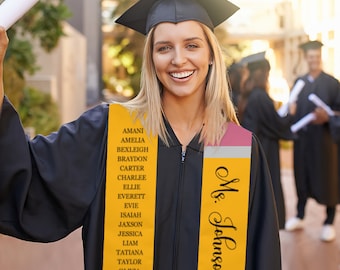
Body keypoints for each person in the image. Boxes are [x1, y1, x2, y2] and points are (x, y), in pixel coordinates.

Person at [0, 0, 282, 269]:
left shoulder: (239, 148)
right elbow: (27, 178)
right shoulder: (108, 131)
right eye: (164, 48)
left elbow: (263, 254)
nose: (178, 59)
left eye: (192, 45)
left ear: (210, 55)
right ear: (151, 58)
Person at [285, 40, 340, 242]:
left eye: (316, 57)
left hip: (325, 142)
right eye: (310, 57)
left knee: (329, 178)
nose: (313, 60)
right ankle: (300, 215)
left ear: (320, 58)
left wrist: (328, 117)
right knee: (302, 176)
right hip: (303, 141)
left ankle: (329, 221)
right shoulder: (299, 83)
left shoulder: (332, 83)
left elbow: (338, 110)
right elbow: (291, 110)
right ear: (306, 59)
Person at [237, 52, 295, 229]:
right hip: (265, 150)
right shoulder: (260, 96)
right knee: (267, 189)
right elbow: (276, 124)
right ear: (263, 74)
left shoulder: (246, 96)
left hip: (254, 148)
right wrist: (291, 114)